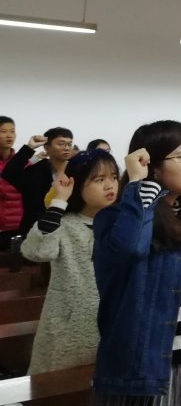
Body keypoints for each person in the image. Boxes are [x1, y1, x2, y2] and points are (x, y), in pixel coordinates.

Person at [91, 120, 181, 406]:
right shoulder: (115, 219)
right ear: (153, 167)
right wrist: (138, 185)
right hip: (140, 370)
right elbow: (132, 249)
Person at [20, 149, 119, 374]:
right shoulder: (64, 224)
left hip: (113, 326)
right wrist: (59, 201)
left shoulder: (123, 224)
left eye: (114, 177)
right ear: (77, 183)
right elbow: (36, 251)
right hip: (68, 329)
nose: (109, 186)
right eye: (99, 179)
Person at [2, 127, 74, 237]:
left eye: (69, 144)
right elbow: (9, 174)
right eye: (61, 144)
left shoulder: (79, 171)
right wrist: (29, 148)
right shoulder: (35, 172)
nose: (67, 148)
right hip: (36, 233)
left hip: (69, 232)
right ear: (46, 147)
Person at [0, 116, 23, 249]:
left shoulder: (23, 162)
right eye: (3, 131)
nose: (9, 136)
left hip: (18, 227)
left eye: (12, 131)